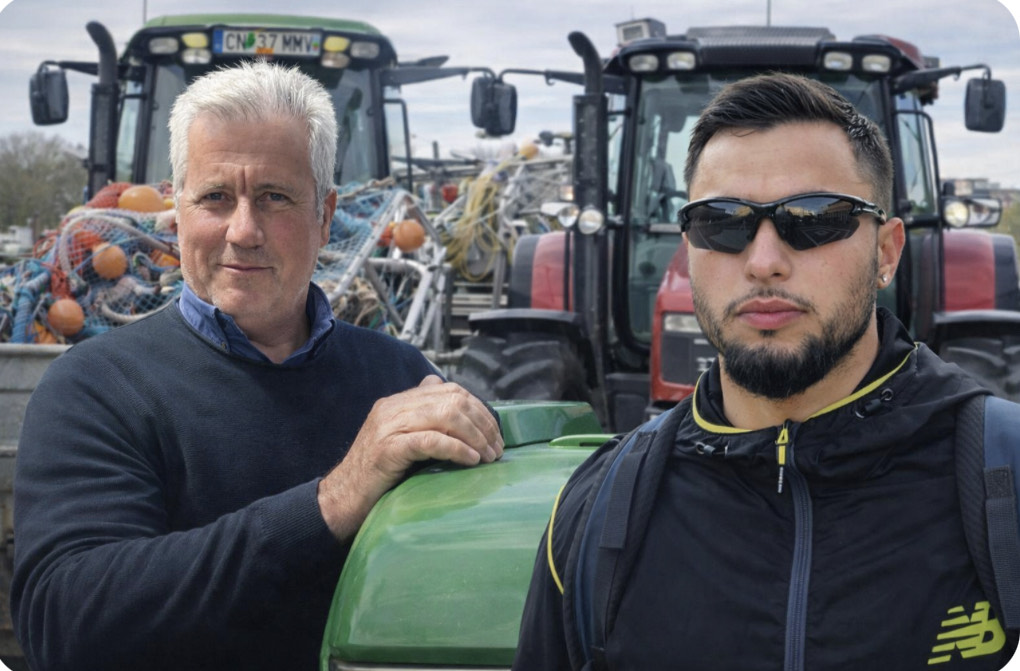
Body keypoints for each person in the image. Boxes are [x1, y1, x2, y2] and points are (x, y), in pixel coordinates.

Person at [512, 73, 1018, 670]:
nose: (764, 262)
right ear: (689, 245)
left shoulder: (1000, 482)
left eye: (815, 218)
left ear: (886, 251)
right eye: (721, 222)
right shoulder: (594, 517)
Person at [11, 60, 503, 671]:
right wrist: (333, 500)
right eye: (216, 197)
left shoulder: (399, 376)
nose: (243, 231)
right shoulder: (94, 389)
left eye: (274, 198)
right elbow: (67, 625)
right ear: (178, 211)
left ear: (325, 217)